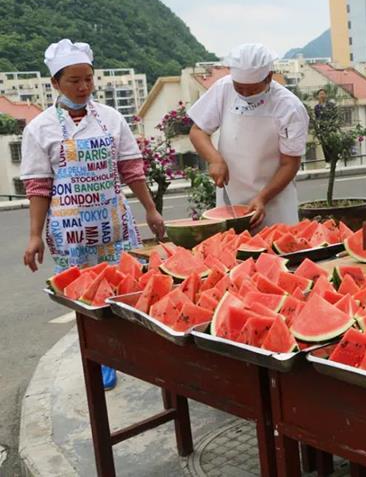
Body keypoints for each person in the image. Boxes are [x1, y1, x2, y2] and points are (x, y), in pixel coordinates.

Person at [21, 39, 166, 389]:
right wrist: (34, 235)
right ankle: (100, 357)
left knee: (125, 287)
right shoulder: (40, 128)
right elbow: (39, 187)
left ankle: (130, 350)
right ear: (55, 83)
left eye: (88, 78)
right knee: (86, 298)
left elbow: (131, 170)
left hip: (114, 224)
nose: (84, 87)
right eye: (74, 80)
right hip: (70, 231)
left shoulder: (112, 119)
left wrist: (150, 209)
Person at [188, 43, 309, 229]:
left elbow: (290, 163)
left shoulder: (289, 107)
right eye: (239, 88)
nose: (244, 94)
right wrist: (214, 159)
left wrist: (262, 198)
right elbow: (198, 131)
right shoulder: (223, 88)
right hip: (231, 198)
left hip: (274, 202)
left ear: (268, 76)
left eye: (252, 90)